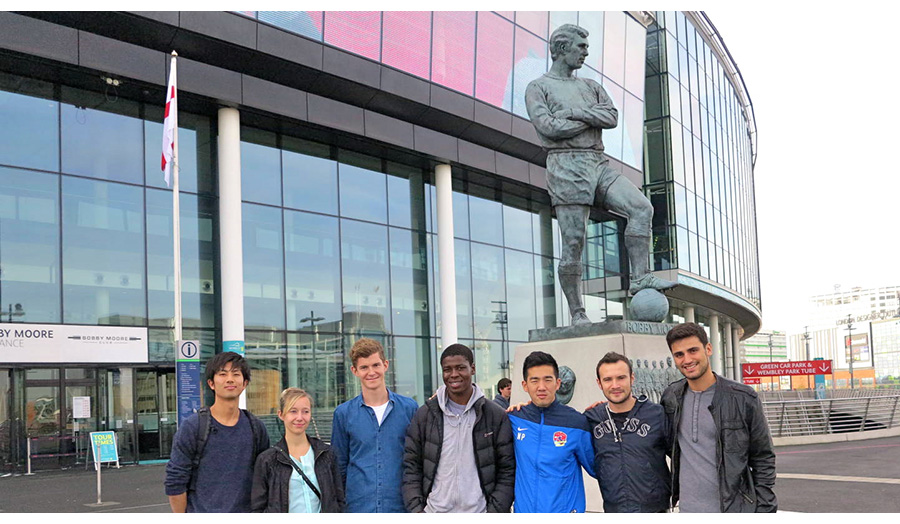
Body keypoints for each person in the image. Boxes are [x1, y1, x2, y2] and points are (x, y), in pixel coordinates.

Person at [525, 24, 675, 325]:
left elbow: (612, 117)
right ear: (562, 48)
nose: (586, 52)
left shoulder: (590, 86)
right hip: (565, 166)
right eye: (581, 46)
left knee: (641, 207)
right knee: (573, 244)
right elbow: (550, 128)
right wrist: (588, 119)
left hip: (597, 161)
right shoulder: (538, 87)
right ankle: (578, 312)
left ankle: (640, 278)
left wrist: (574, 113)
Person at [660, 322, 777, 512]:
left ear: (708, 349)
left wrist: (764, 511)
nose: (687, 359)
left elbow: (763, 458)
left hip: (734, 510)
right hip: (687, 511)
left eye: (693, 351)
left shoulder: (743, 398)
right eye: (679, 354)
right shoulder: (671, 397)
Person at [402, 343, 515, 513]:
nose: (454, 375)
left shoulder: (495, 415)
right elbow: (411, 467)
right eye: (447, 369)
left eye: (460, 368)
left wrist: (494, 512)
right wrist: (418, 512)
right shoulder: (425, 415)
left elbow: (507, 470)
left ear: (473, 369)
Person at [164, 351, 270, 512]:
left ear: (245, 383)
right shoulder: (193, 427)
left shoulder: (256, 427)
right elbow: (175, 481)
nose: (229, 379)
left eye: (236, 374)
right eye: (222, 374)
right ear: (211, 383)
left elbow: (264, 477)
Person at [331, 338, 418, 512]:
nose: (371, 372)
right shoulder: (343, 414)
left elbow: (417, 460)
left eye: (375, 365)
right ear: (354, 371)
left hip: (400, 507)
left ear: (385, 365)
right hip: (358, 508)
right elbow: (339, 465)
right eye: (364, 367)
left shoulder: (409, 408)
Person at [508, 350, 595, 512]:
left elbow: (600, 468)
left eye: (547, 380)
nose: (542, 387)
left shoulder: (576, 423)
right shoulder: (513, 419)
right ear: (524, 385)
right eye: (534, 380)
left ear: (558, 383)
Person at [584, 352, 672, 513]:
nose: (615, 385)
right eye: (608, 379)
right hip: (614, 509)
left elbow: (682, 457)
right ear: (599, 383)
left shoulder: (656, 414)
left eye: (621, 378)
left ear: (632, 378)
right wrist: (528, 409)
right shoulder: (592, 418)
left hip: (654, 510)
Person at [251, 388, 344, 512]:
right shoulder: (267, 460)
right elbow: (258, 508)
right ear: (281, 414)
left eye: (305, 411)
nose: (300, 418)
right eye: (293, 411)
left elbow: (339, 500)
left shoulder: (326, 454)